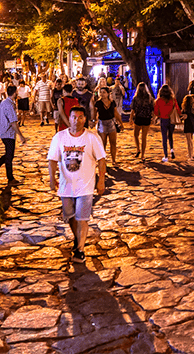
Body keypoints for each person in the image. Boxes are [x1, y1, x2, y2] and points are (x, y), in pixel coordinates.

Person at [47, 105, 107, 263]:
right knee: (71, 217)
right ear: (69, 118)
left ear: (85, 119)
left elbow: (101, 160)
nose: (77, 121)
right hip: (66, 186)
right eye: (74, 117)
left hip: (85, 186)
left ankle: (80, 250)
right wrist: (52, 179)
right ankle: (77, 238)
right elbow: (52, 160)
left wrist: (101, 181)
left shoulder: (92, 138)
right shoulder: (59, 137)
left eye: (80, 117)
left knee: (82, 219)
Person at [0, 84, 26, 187]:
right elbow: (13, 122)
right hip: (8, 133)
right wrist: (21, 135)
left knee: (8, 155)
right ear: (15, 93)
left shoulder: (5, 102)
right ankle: (10, 178)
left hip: (3, 131)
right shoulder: (9, 105)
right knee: (9, 156)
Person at [95, 86, 122, 165]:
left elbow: (115, 113)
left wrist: (120, 122)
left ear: (108, 93)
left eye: (104, 92)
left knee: (113, 143)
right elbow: (95, 113)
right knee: (102, 144)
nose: (102, 94)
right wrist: (93, 121)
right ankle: (102, 160)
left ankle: (113, 160)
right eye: (100, 92)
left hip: (111, 123)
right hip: (102, 123)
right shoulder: (98, 103)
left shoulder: (112, 103)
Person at [153, 84, 181, 162]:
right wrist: (180, 116)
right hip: (171, 120)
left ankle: (166, 156)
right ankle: (171, 150)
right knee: (170, 135)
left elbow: (156, 112)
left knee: (164, 137)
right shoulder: (173, 100)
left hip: (163, 119)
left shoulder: (159, 100)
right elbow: (177, 109)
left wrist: (159, 116)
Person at [131, 83, 155, 159]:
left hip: (138, 117)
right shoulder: (149, 98)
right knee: (144, 137)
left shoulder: (136, 98)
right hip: (146, 118)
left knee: (136, 135)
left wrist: (131, 118)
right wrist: (153, 118)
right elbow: (152, 109)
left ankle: (138, 149)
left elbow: (133, 109)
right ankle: (143, 155)